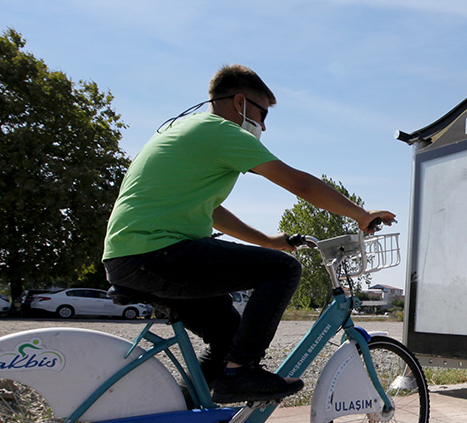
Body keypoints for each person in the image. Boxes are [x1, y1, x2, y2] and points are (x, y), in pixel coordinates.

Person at [102, 64, 396, 403]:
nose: (264, 126)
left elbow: (211, 211)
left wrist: (268, 241)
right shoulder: (220, 132)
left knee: (229, 337)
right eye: (262, 113)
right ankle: (240, 373)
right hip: (156, 255)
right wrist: (361, 214)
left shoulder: (187, 131)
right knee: (282, 270)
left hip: (137, 257)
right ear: (240, 102)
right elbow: (299, 183)